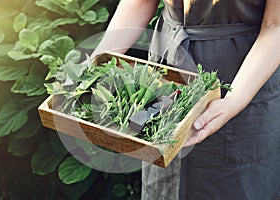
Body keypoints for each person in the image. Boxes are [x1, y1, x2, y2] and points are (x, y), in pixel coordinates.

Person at [93, 0, 280, 199]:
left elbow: (275, 25)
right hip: (167, 73)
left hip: (244, 77)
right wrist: (95, 64)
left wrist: (234, 100)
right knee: (165, 185)